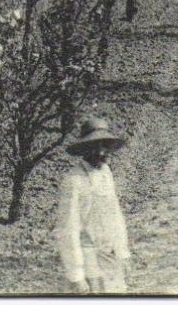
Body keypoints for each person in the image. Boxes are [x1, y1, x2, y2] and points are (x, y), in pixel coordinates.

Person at [55, 116, 133, 294]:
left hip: (110, 255)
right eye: (94, 146)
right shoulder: (73, 180)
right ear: (84, 149)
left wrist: (123, 252)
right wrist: (77, 275)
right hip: (88, 259)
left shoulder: (106, 173)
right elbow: (68, 229)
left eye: (104, 146)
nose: (100, 152)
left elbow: (115, 215)